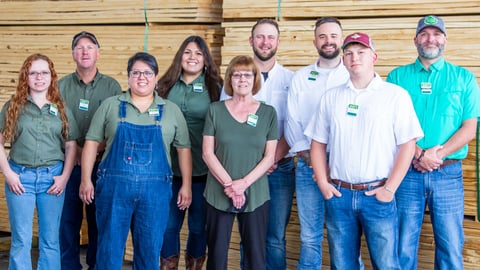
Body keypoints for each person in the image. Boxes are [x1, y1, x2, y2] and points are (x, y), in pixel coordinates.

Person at [306, 32, 423, 270]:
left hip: (377, 195)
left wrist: (389, 189)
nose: (354, 57)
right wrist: (323, 185)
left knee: (387, 265)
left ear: (374, 57)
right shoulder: (332, 97)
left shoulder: (395, 96)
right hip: (340, 195)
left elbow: (407, 145)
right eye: (348, 53)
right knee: (342, 265)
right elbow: (317, 143)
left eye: (361, 52)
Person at [79, 52, 192, 270]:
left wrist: (186, 185)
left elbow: (184, 149)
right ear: (128, 77)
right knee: (109, 251)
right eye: (136, 72)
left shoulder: (171, 111)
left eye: (148, 72)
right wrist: (86, 180)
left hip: (155, 193)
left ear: (156, 77)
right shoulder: (111, 106)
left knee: (149, 252)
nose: (142, 77)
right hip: (114, 191)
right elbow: (92, 142)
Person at [387, 15, 480, 270]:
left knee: (450, 245)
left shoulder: (464, 78)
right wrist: (418, 154)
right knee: (402, 244)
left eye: (436, 34)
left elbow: (469, 127)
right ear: (415, 39)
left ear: (445, 40)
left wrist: (435, 154)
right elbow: (390, 124)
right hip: (406, 172)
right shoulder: (397, 77)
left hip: (448, 174)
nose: (431, 39)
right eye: (425, 34)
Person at [220, 18, 294, 270]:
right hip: (243, 172)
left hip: (279, 170)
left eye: (270, 37)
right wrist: (254, 169)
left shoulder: (291, 80)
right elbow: (225, 122)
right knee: (248, 237)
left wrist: (270, 160)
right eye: (260, 37)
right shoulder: (234, 79)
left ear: (278, 42)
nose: (265, 42)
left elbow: (294, 127)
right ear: (251, 41)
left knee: (275, 238)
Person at [0, 53, 79, 269]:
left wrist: (64, 177)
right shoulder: (13, 107)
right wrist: (8, 173)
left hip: (52, 179)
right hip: (20, 179)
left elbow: (71, 144)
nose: (39, 77)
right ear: (25, 76)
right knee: (21, 240)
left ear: (51, 77)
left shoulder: (61, 109)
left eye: (44, 73)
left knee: (50, 240)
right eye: (33, 73)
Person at [202, 55, 278, 270]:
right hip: (218, 192)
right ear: (230, 79)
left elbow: (269, 156)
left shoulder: (268, 113)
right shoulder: (215, 110)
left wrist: (243, 184)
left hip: (256, 193)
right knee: (216, 256)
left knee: (255, 256)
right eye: (237, 74)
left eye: (247, 74)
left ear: (254, 79)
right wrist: (230, 185)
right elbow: (207, 153)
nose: (242, 79)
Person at [285, 17, 349, 269]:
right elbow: (292, 121)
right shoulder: (301, 77)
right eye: (322, 36)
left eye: (333, 36)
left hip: (344, 168)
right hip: (307, 166)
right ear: (315, 41)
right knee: (310, 235)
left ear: (341, 40)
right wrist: (313, 161)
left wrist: (332, 164)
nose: (328, 41)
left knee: (343, 235)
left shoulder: (352, 75)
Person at [59, 30, 122, 270]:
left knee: (100, 220)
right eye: (79, 47)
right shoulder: (60, 85)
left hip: (102, 165)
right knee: (67, 221)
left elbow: (117, 125)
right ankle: (69, 266)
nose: (85, 51)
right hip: (68, 165)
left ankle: (97, 264)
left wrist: (93, 151)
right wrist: (74, 153)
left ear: (98, 53)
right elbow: (55, 123)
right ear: (73, 53)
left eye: (90, 47)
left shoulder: (112, 86)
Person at [157, 35, 222, 270]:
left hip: (203, 171)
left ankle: (194, 265)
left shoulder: (216, 88)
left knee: (198, 227)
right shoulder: (164, 86)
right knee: (168, 226)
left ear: (205, 59)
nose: (192, 57)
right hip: (167, 170)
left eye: (198, 53)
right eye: (187, 52)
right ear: (179, 57)